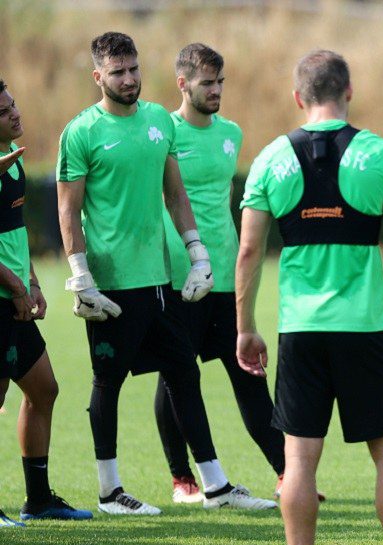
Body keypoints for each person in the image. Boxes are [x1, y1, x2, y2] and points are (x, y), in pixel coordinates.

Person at [56, 31, 275, 514]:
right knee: (107, 382)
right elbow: (68, 210)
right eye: (118, 72)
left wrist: (198, 254)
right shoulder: (80, 132)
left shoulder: (158, 121)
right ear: (98, 77)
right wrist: (80, 275)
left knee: (183, 372)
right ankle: (110, 491)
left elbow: (176, 194)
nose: (129, 79)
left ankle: (215, 486)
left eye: (133, 69)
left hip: (159, 279)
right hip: (110, 283)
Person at [237, 49, 383, 545]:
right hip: (365, 327)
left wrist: (245, 327)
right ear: (348, 91)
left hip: (301, 329)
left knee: (298, 459)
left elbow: (248, 251)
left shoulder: (271, 158)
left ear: (299, 97)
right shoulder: (380, 154)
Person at [152, 42, 307, 505]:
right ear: (183, 84)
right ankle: (182, 480)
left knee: (249, 373)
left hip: (226, 273)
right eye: (207, 83)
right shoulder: (162, 132)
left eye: (220, 82)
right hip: (179, 277)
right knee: (175, 378)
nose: (216, 90)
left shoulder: (232, 134)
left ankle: (286, 474)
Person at [0, 79, 92, 526]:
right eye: (4, 112)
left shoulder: (14, 161)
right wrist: (15, 288)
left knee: (43, 389)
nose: (15, 113)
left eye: (13, 105)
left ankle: (38, 500)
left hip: (15, 298)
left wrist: (31, 282)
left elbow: (13, 233)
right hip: (3, 300)